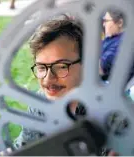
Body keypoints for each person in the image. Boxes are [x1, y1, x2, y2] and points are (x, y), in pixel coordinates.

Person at [13, 18, 118, 156]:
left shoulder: (113, 112)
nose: (48, 78)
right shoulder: (39, 104)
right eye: (41, 67)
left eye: (61, 66)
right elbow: (23, 149)